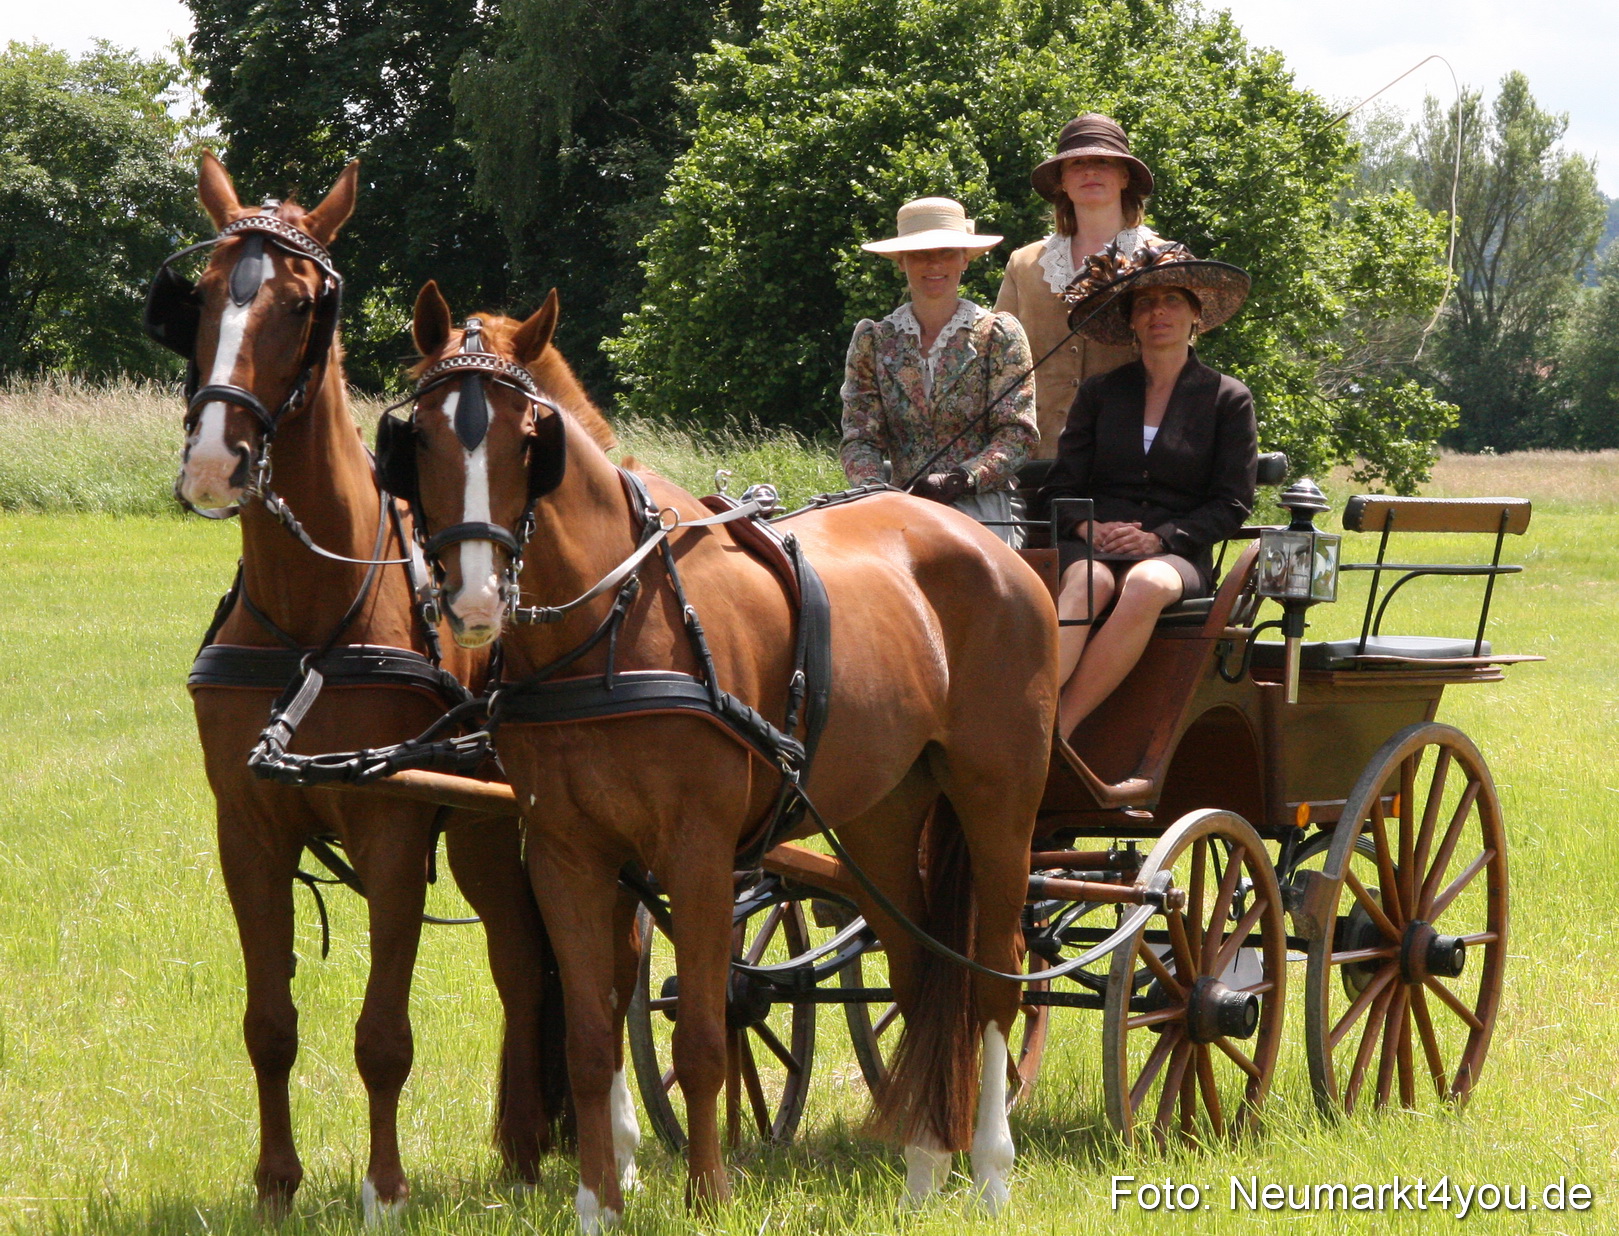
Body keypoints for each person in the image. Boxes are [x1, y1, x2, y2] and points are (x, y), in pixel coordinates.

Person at [1039, 239, 1257, 737]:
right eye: (1145, 304)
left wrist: (1160, 539)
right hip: (1093, 543)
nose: (1159, 312)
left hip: (1177, 550)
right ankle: (1027, 719)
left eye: (1172, 301)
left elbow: (1232, 503)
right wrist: (1088, 528)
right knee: (1091, 583)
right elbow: (1059, 490)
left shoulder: (1228, 398)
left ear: (1196, 315)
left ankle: (1060, 731)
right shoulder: (1100, 394)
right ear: (1132, 322)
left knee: (1146, 583)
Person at [840, 196, 1037, 546]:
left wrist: (960, 480)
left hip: (981, 506)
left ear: (964, 259)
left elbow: (1017, 436)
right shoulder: (874, 340)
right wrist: (873, 492)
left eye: (946, 252)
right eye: (919, 253)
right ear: (901, 262)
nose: (933, 263)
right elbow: (860, 438)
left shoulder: (998, 335)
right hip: (899, 505)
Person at [995, 114, 1167, 456]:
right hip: (1034, 457)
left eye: (1102, 161)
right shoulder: (1024, 263)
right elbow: (998, 362)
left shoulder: (1162, 258)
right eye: (1077, 164)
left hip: (1130, 456)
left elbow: (1177, 365)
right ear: (1062, 180)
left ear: (1123, 176)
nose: (1089, 171)